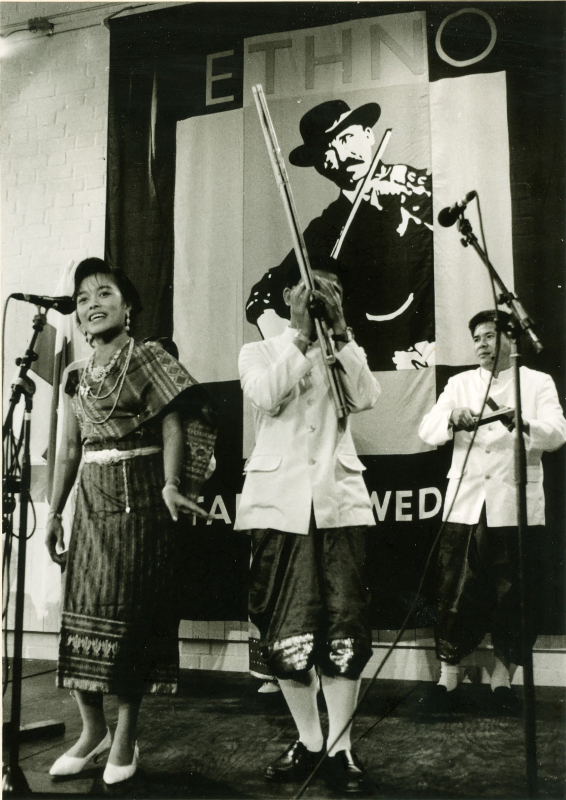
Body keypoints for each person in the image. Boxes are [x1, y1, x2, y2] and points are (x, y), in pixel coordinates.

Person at [45, 258, 216, 784]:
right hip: (91, 502)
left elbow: (174, 426)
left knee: (133, 617)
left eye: (104, 293)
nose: (91, 304)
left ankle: (125, 735)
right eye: (82, 299)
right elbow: (69, 448)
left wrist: (172, 483)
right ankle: (91, 730)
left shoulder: (149, 357)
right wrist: (53, 513)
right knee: (81, 612)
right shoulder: (75, 376)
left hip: (141, 499)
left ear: (128, 306)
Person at [235, 261, 380, 794]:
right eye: (308, 288)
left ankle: (341, 746)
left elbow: (366, 397)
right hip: (280, 507)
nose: (318, 296)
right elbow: (265, 394)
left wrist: (339, 337)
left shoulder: (346, 349)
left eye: (330, 290)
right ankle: (310, 740)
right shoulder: (260, 350)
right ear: (288, 297)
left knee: (345, 627)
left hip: (339, 504)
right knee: (286, 629)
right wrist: (299, 337)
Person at [418, 309, 566, 708]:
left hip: (515, 503)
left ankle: (502, 680)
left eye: (488, 336)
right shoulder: (459, 384)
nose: (481, 345)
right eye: (476, 339)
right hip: (466, 504)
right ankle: (449, 677)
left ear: (510, 339)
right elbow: (427, 429)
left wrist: (523, 422)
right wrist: (452, 417)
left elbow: (558, 433)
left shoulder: (536, 382)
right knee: (454, 591)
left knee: (515, 593)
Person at [245, 99, 434, 372]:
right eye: (326, 152)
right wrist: (290, 352)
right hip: (371, 364)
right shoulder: (327, 227)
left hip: (431, 353)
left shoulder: (420, 187)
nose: (342, 156)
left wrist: (417, 203)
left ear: (368, 135)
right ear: (318, 166)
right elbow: (262, 294)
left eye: (346, 138)